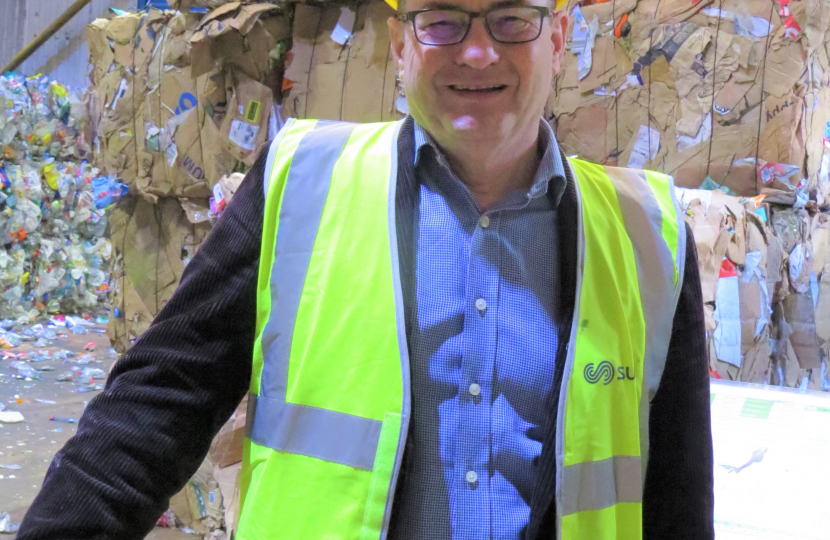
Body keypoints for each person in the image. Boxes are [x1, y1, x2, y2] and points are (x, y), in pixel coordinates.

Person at [18, 0, 714, 537]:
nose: (477, 51)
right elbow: (154, 409)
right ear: (403, 45)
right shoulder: (304, 184)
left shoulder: (644, 234)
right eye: (442, 21)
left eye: (510, 20)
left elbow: (679, 496)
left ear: (557, 40)